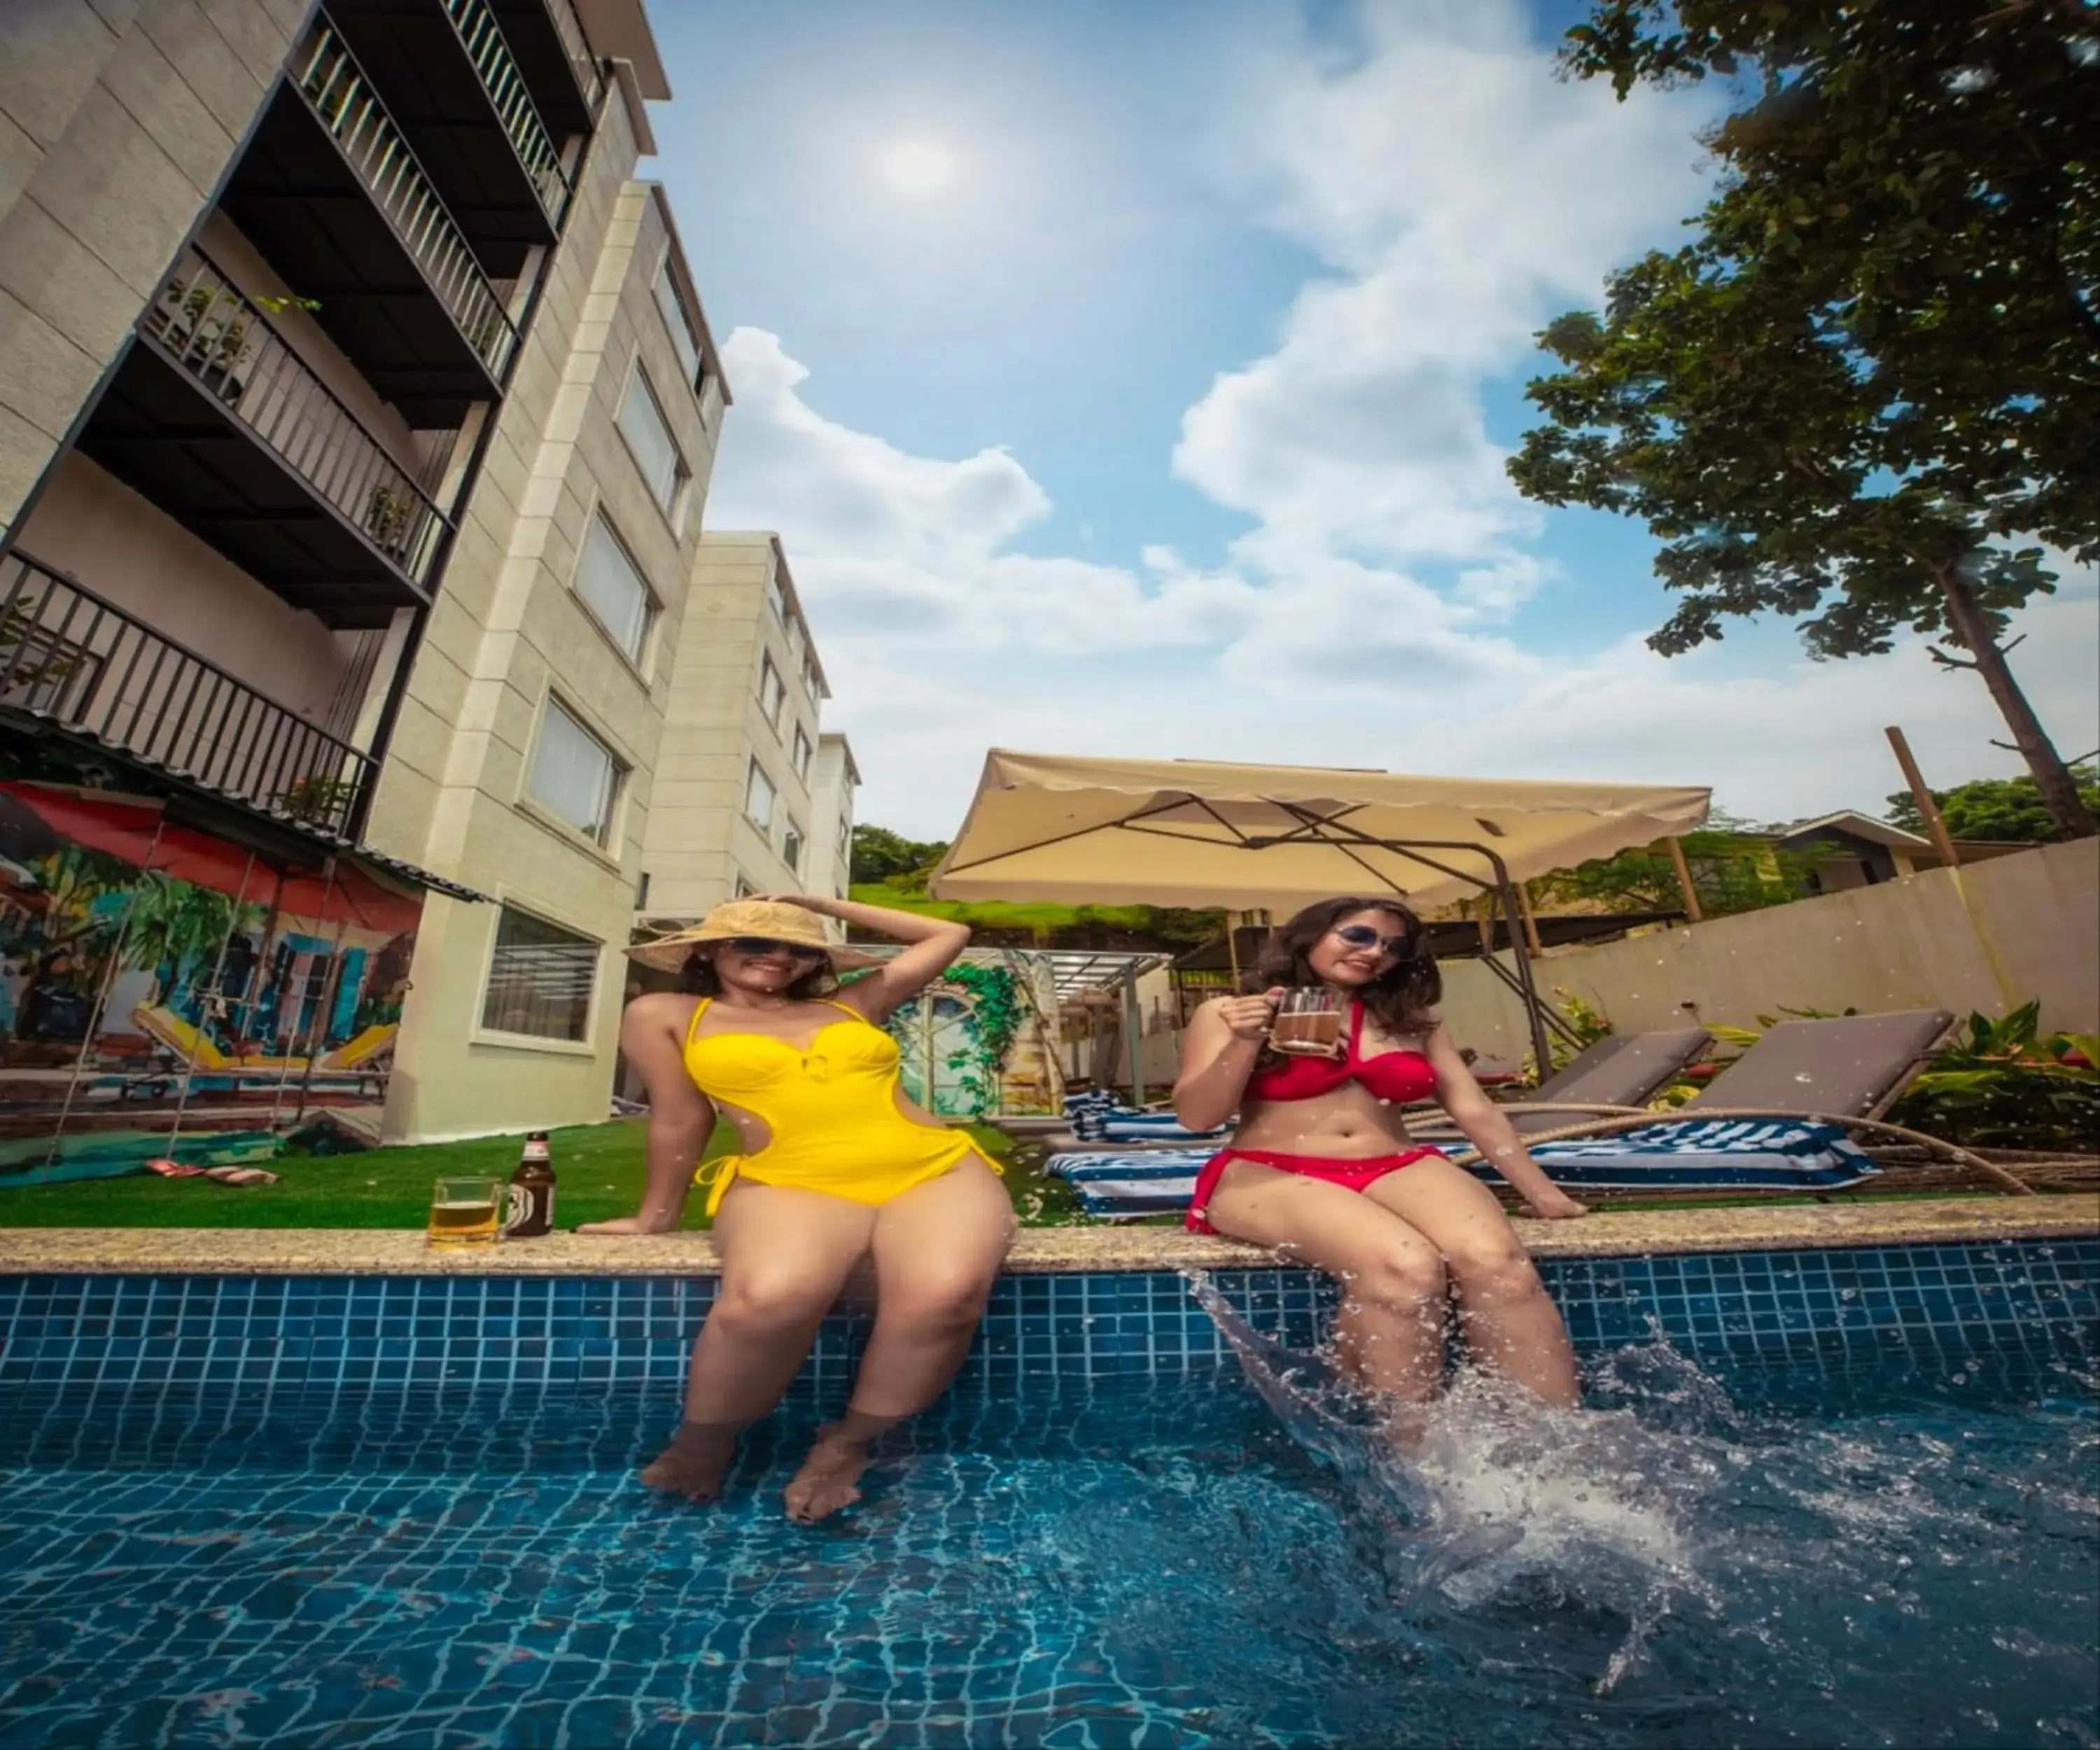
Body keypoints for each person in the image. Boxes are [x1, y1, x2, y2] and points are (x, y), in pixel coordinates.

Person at [582, 894, 1014, 1521]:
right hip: (792, 1178)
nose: (778, 957)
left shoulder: (849, 1004)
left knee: (945, 1293)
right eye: (754, 943)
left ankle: (849, 1444)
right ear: (709, 950)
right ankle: (702, 1444)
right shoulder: (668, 1013)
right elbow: (680, 1117)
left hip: (931, 1169)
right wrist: (657, 1216)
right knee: (772, 1295)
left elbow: (951, 930)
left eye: (798, 947)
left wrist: (810, 899)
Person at [1174, 896, 1586, 1414]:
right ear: (1310, 934)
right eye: (1358, 936)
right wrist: (1244, 1041)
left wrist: (1543, 1194)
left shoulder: (1414, 1021)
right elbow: (1197, 1117)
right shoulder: (1231, 1010)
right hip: (1270, 1169)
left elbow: (1473, 1108)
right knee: (1404, 1266)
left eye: (1393, 947)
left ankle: (1554, 1441)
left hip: (1396, 1164)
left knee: (1497, 1263)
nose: (1375, 953)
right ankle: (1406, 1454)